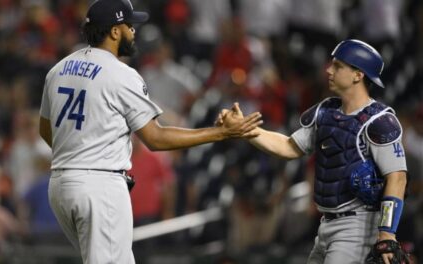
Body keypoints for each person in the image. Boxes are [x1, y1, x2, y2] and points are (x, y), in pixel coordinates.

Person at [38, 0, 262, 263]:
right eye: (129, 26)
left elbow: (46, 129)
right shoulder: (121, 74)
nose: (134, 32)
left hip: (61, 187)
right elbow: (155, 138)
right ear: (113, 31)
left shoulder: (58, 69)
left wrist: (77, 157)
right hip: (98, 186)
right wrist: (220, 133)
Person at [218, 39, 408, 264]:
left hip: (358, 225)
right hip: (326, 225)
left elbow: (397, 177)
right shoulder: (325, 112)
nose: (329, 70)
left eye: (338, 66)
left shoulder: (380, 121)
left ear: (358, 75)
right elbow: (289, 147)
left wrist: (387, 232)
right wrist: (245, 130)